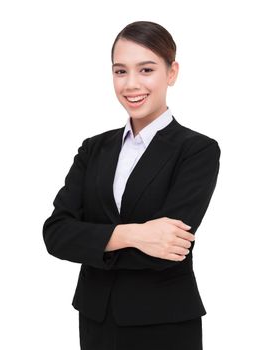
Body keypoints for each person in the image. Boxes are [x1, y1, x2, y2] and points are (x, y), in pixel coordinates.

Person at [43, 20, 221, 350]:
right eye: (120, 71)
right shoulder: (93, 149)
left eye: (146, 69)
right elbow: (56, 234)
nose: (131, 84)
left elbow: (169, 250)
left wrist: (92, 240)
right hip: (96, 320)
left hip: (164, 322)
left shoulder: (196, 150)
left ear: (172, 73)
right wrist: (135, 234)